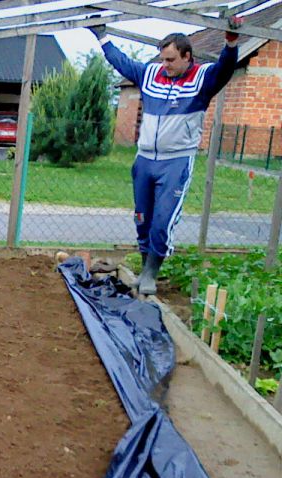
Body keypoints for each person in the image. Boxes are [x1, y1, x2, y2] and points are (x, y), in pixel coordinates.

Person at [91, 17, 242, 294]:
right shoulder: (150, 75)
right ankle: (145, 263)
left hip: (176, 161)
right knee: (142, 217)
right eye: (163, 59)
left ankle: (151, 272)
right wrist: (102, 37)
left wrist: (230, 43)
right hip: (145, 158)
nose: (166, 65)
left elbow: (225, 70)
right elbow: (122, 62)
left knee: (162, 220)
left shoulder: (201, 79)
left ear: (187, 56)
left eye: (171, 60)